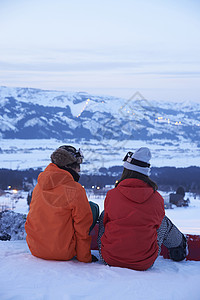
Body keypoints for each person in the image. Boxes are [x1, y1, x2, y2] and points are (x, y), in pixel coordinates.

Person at [98, 147, 187, 271]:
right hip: (144, 262)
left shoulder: (112, 195)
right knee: (163, 221)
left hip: (109, 258)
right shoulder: (157, 198)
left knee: (104, 215)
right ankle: (179, 246)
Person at [25, 145, 99, 263]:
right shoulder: (75, 190)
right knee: (92, 207)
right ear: (69, 166)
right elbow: (82, 228)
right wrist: (84, 257)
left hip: (35, 248)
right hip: (63, 252)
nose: (79, 170)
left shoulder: (39, 185)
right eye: (77, 165)